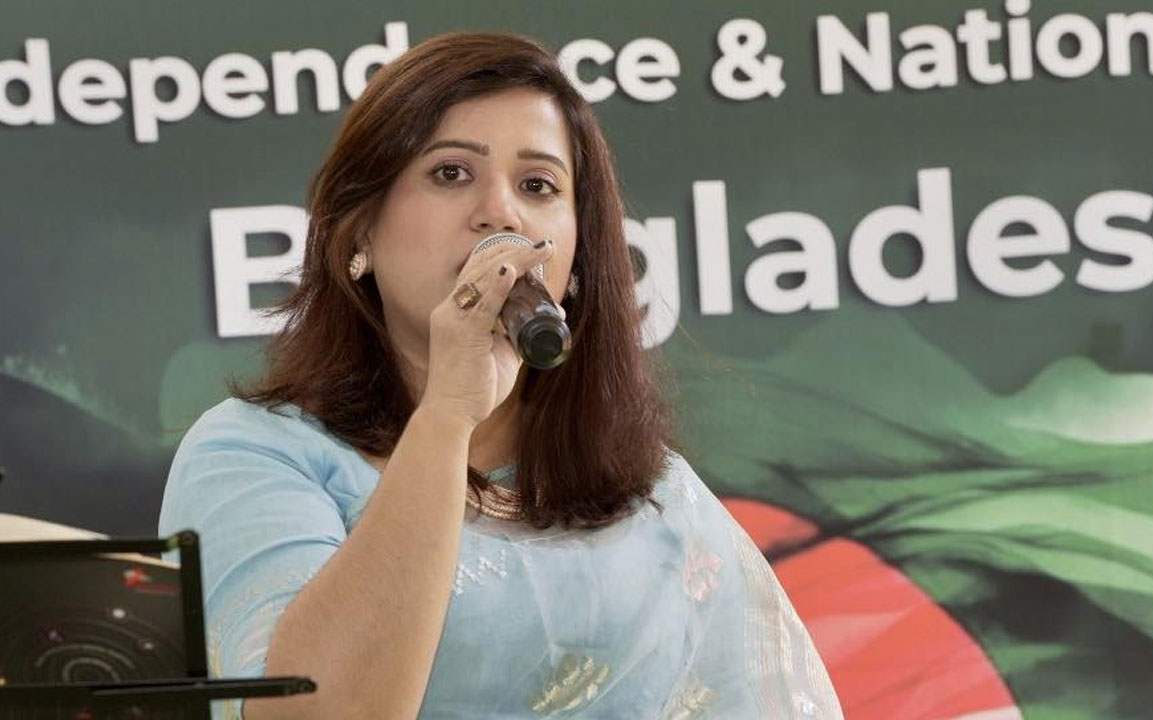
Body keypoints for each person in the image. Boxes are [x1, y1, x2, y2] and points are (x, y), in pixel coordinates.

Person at [159, 31, 840, 719]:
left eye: (538, 185)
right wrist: (448, 413)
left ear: (576, 258)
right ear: (360, 228)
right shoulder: (254, 455)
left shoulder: (654, 494)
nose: (501, 215)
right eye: (451, 173)